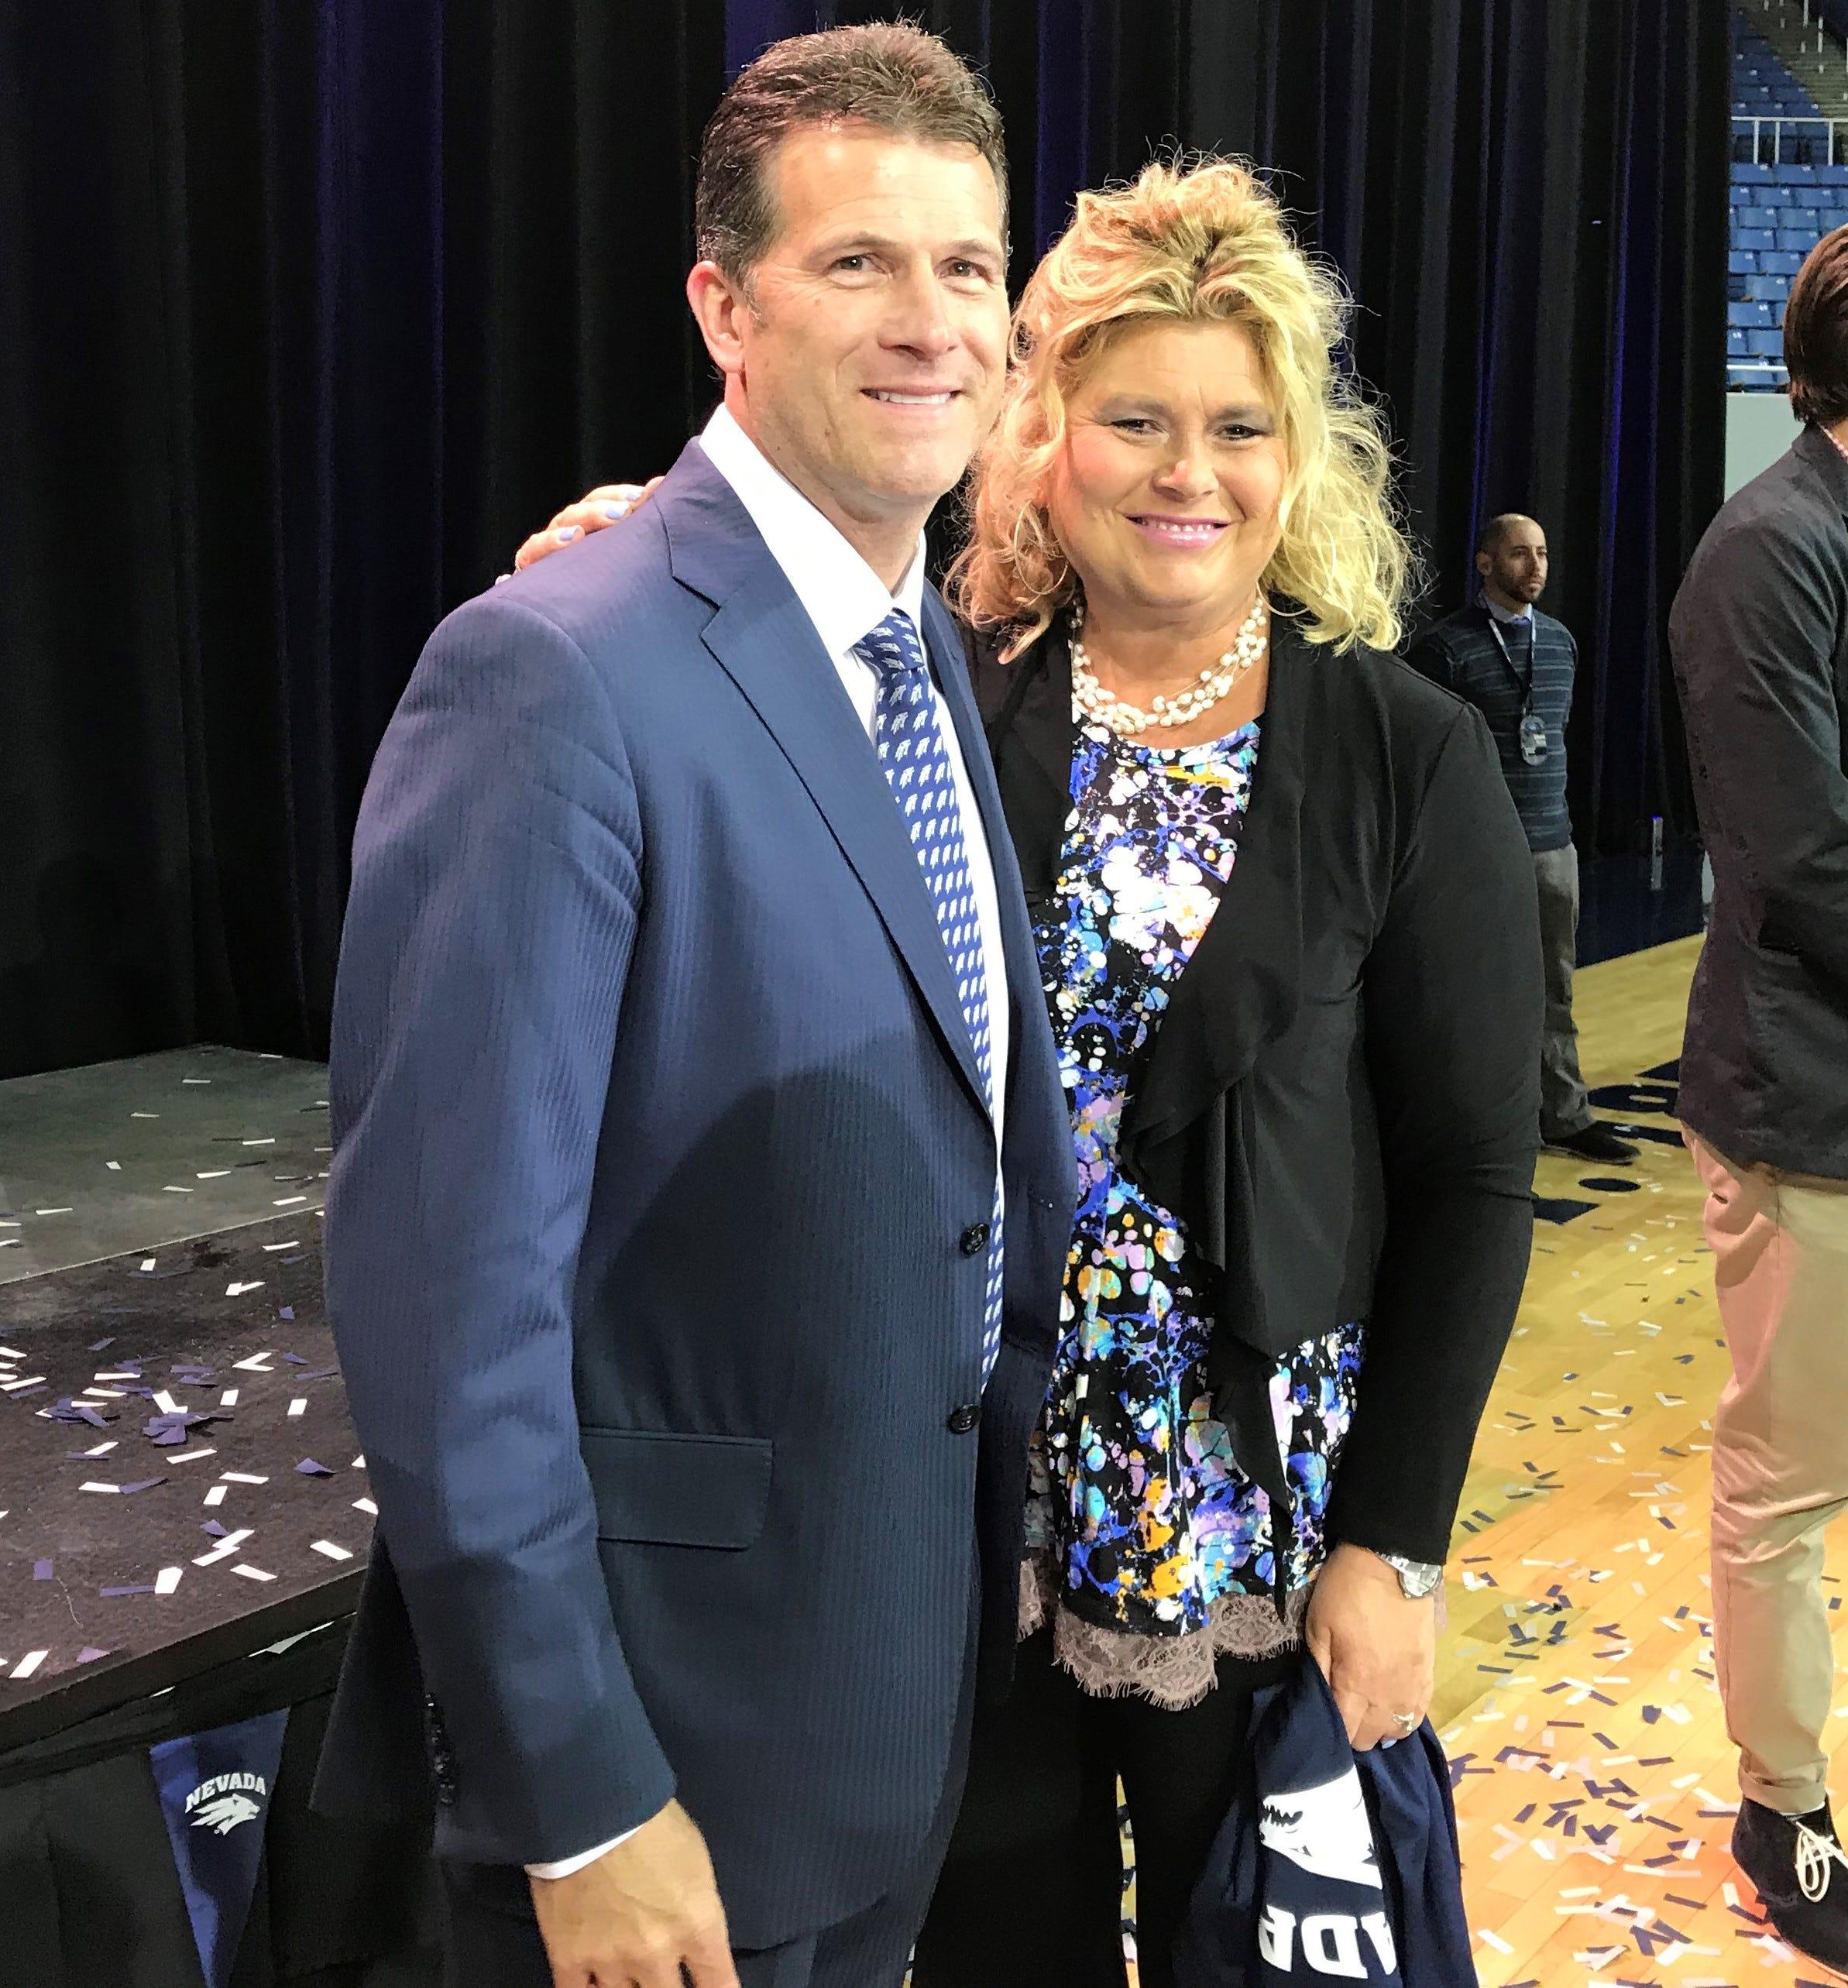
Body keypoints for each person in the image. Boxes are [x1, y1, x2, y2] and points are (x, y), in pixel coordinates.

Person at [518, 158, 1542, 1986]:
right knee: (1001, 1946)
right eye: (1132, 415)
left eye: (1237, 424)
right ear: (1039, 434)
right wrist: (625, 555)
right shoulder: (933, 694)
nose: (1186, 469)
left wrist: (1397, 1541)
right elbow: (715, 654)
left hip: (1254, 1519)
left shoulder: (1406, 750)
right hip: (967, 1511)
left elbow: (1473, 1176)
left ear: (1294, 457)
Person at [311, 28, 1075, 1988]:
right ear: (722, 308)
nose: (930, 324)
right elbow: (446, 1303)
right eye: (858, 264)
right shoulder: (550, 674)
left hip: (881, 1717)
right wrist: (576, 1792)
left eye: (967, 268)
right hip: (659, 1781)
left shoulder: (915, 651)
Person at [1666, 221, 1848, 1976]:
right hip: (1812, 1103)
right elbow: (1805, 862)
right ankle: (1780, 1805)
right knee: (1790, 1483)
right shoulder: (1769, 554)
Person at [1408, 517, 1635, 1164]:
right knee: (1468, 989)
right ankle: (1470, 1124)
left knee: (1553, 985)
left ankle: (1562, 1114)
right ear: (1484, 563)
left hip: (1550, 846)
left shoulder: (1560, 642)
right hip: (1476, 854)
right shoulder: (1445, 649)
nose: (1534, 565)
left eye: (1541, 552)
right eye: (1517, 553)